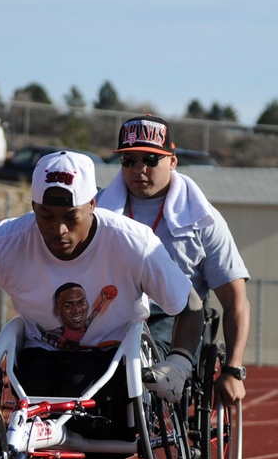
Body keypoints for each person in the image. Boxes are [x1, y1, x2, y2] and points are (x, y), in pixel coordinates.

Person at [0, 150, 204, 432]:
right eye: (45, 215)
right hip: (41, 353)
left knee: (85, 402)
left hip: (113, 356)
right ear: (33, 206)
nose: (58, 229)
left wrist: (179, 362)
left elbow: (191, 305)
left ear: (92, 204)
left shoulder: (134, 243)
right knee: (37, 387)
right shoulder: (7, 241)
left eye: (70, 216)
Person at [96, 114, 251, 406]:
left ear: (173, 161)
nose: (139, 169)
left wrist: (232, 370)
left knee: (137, 362)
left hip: (174, 319)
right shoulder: (96, 211)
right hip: (107, 314)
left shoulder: (202, 220)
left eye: (151, 160)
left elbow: (236, 301)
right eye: (129, 160)